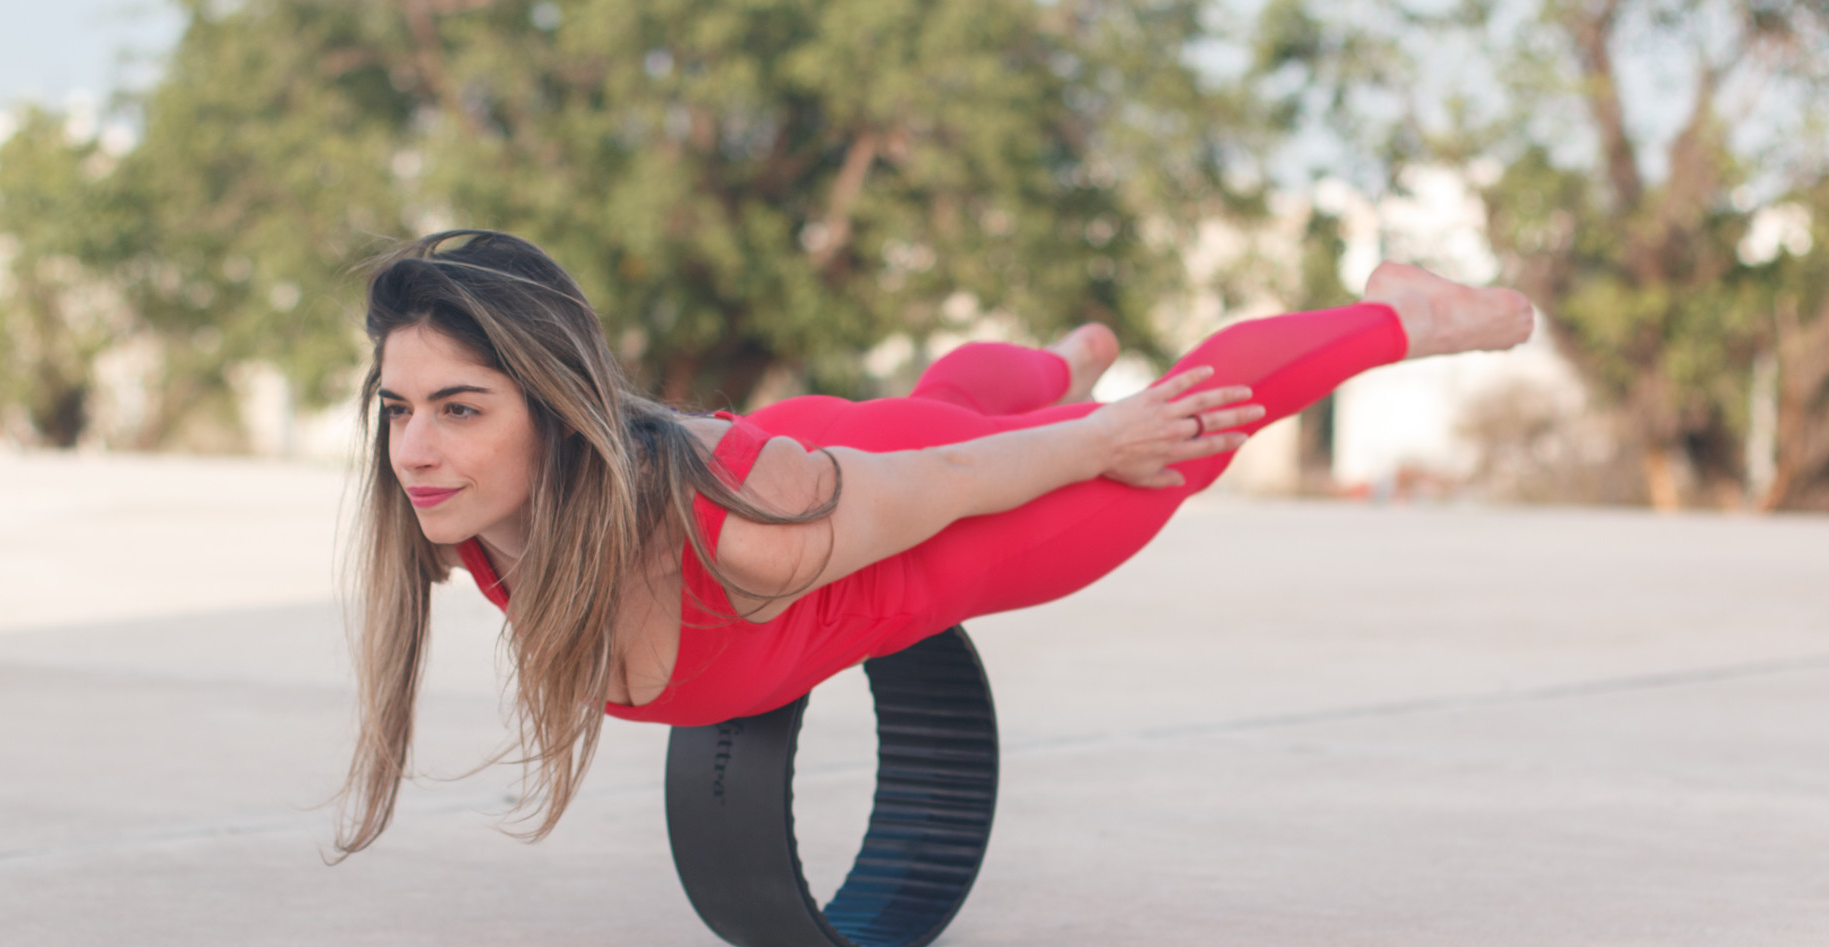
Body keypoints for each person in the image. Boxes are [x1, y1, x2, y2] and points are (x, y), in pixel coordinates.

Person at [338, 229, 1533, 854]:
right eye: (399, 409)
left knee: (1168, 433)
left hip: (882, 505)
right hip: (831, 463)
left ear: (558, 414)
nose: (415, 451)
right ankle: (1051, 368)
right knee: (947, 407)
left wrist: (1098, 438)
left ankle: (1396, 312)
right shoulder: (466, 520)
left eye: (460, 409)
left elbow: (952, 480)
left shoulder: (736, 532)